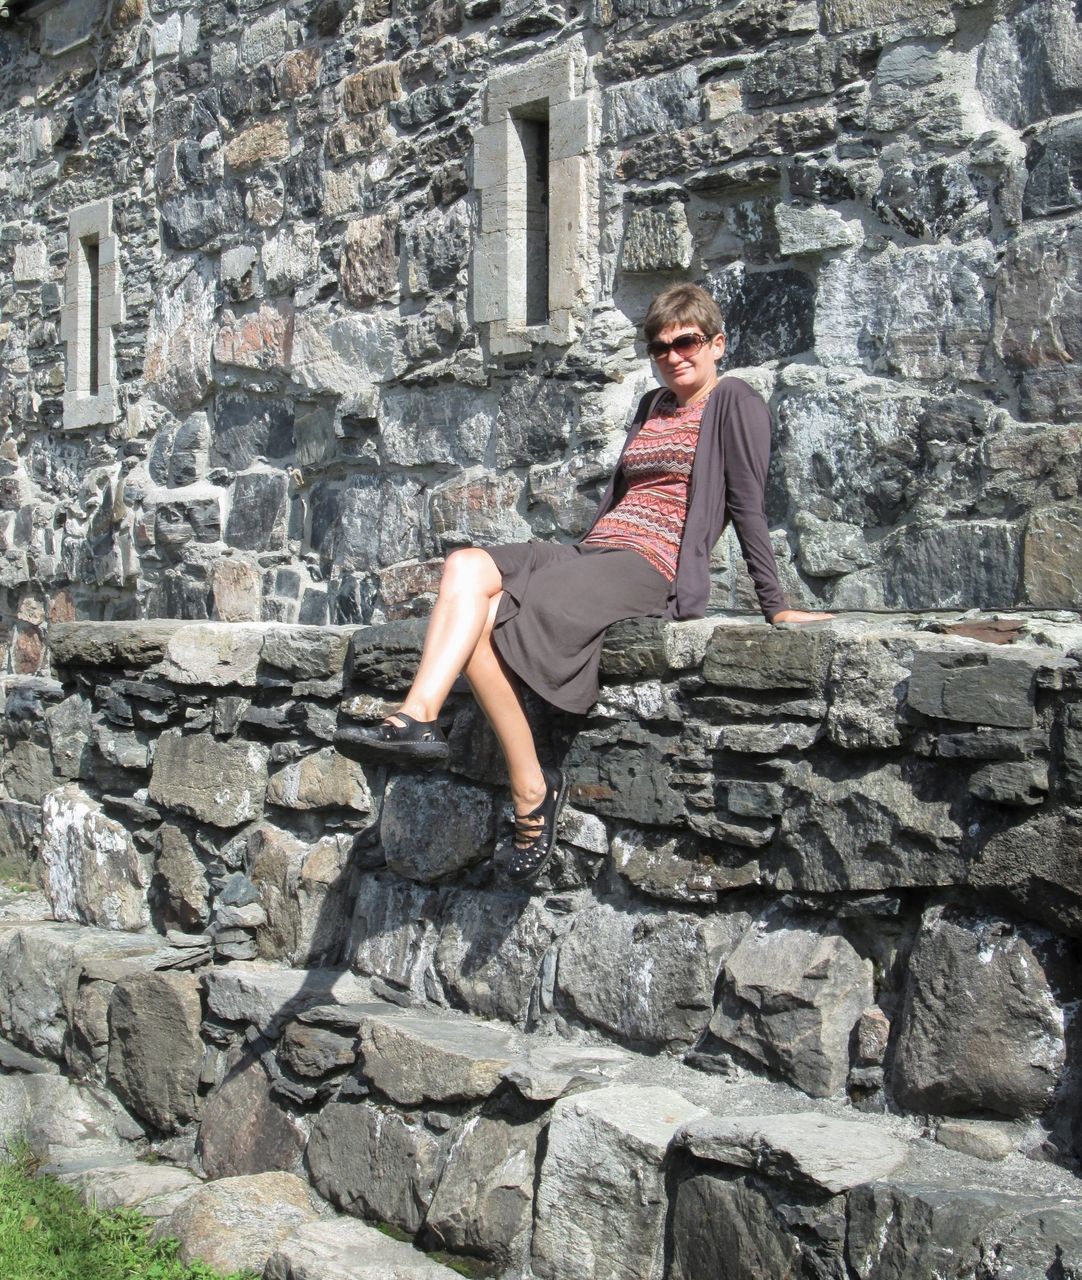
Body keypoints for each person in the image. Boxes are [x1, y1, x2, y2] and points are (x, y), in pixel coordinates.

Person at [336, 284, 829, 883]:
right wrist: (576, 555)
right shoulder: (652, 406)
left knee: (488, 623)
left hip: (649, 565)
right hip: (594, 549)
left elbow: (749, 504)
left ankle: (530, 792)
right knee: (465, 565)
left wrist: (774, 606)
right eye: (660, 347)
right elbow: (622, 496)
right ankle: (419, 715)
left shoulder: (736, 401)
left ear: (716, 344)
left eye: (687, 342)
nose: (673, 356)